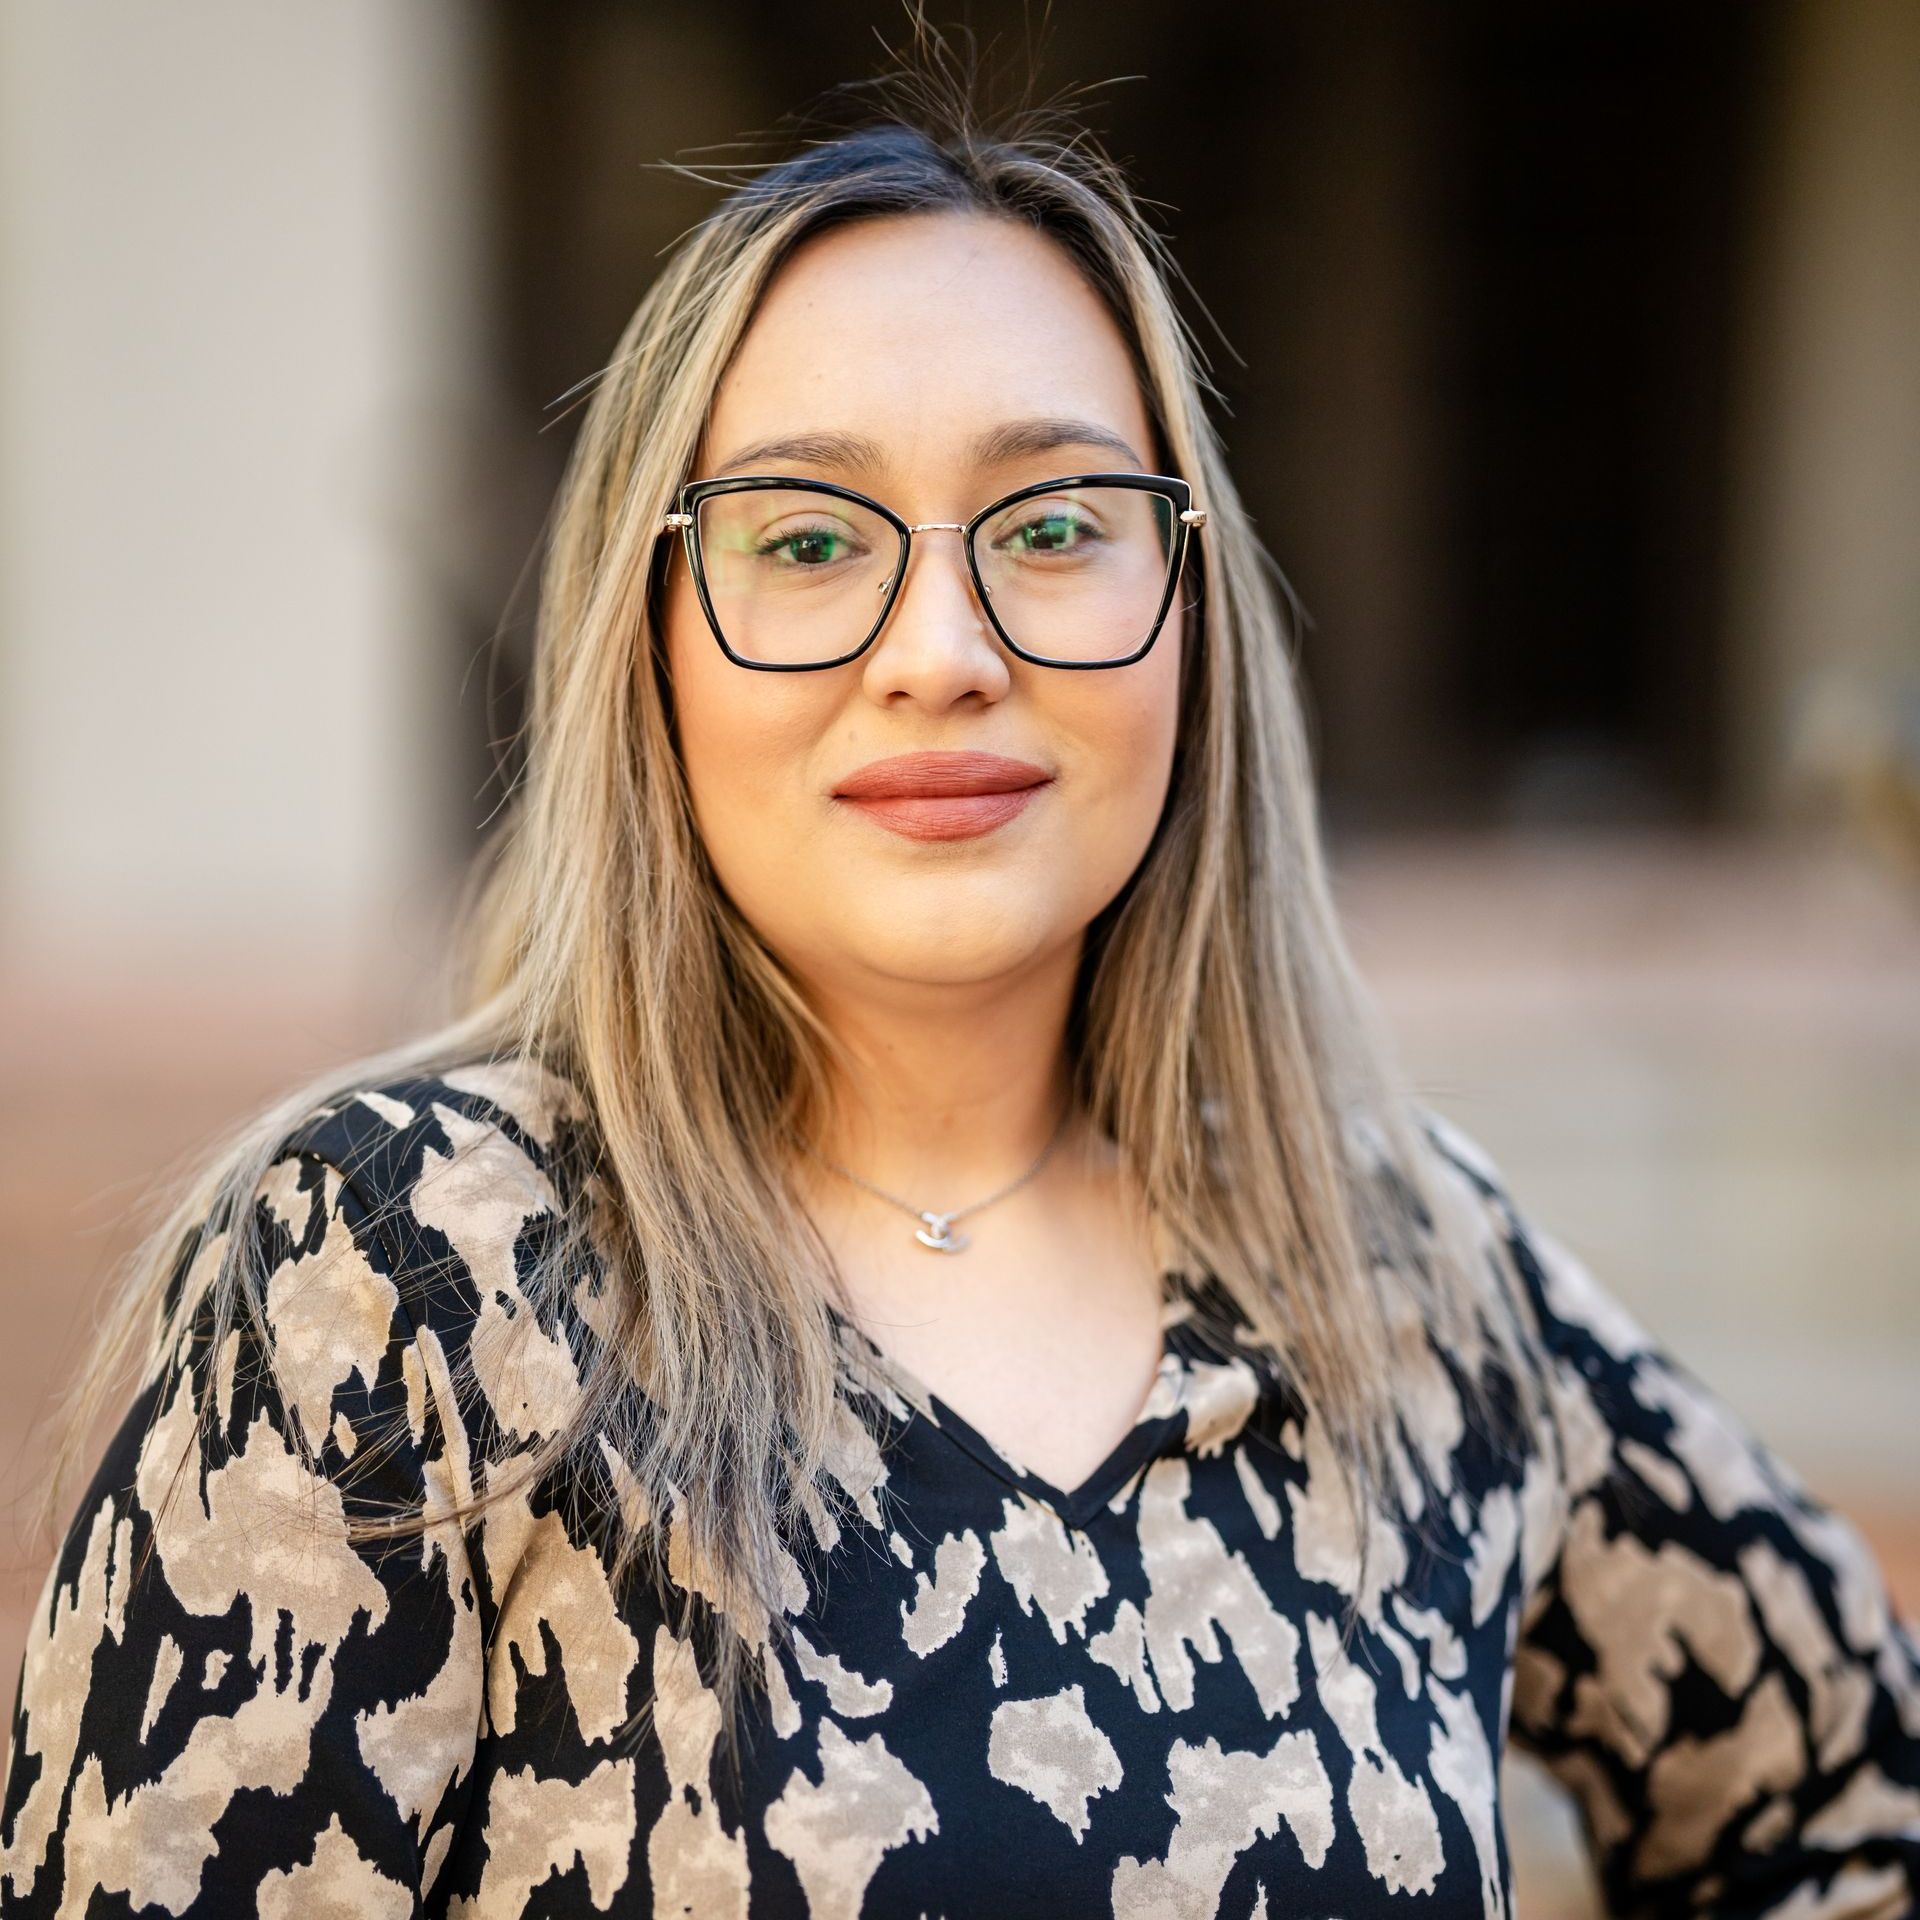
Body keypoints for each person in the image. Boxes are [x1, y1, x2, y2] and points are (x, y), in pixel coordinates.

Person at [3, 69, 1917, 1920]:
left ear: (1190, 611)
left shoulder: (1400, 1274)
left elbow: (1854, 1804)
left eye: (1058, 525)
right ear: (648, 642)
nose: (939, 654)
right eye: (810, 540)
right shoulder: (406, 1274)